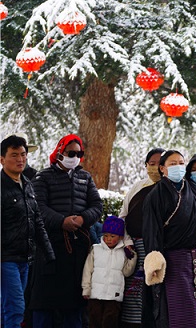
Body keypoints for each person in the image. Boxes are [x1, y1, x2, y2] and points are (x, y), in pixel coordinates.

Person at [29, 134, 103, 328]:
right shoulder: (43, 177)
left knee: (74, 307)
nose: (75, 157)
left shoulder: (85, 177)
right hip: (49, 247)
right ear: (60, 152)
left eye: (79, 154)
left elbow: (97, 206)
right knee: (44, 305)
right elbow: (37, 207)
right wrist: (61, 221)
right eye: (71, 153)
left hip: (77, 249)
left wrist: (82, 219)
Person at [142, 150, 196, 328]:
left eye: (181, 163)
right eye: (173, 164)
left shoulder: (193, 189)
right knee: (177, 311)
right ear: (162, 168)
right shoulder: (155, 195)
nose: (178, 167)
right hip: (174, 262)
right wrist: (154, 260)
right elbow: (151, 230)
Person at [1, 135, 54, 328]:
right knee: (16, 308)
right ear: (2, 159)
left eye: (23, 154)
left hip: (25, 258)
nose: (20, 159)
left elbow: (37, 220)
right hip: (5, 259)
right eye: (14, 155)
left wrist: (49, 254)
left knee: (7, 308)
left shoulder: (28, 184)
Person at [119, 147, 164, 328]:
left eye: (159, 163)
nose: (155, 167)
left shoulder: (171, 188)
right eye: (151, 164)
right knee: (134, 292)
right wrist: (128, 242)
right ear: (146, 165)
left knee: (155, 293)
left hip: (160, 250)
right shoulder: (138, 187)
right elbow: (123, 216)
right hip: (136, 249)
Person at [81, 216, 137, 328]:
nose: (108, 239)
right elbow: (87, 270)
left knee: (110, 322)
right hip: (95, 295)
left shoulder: (123, 252)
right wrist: (86, 288)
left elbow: (127, 272)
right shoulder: (96, 249)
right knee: (94, 321)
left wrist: (132, 257)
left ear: (120, 237)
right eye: (105, 235)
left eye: (112, 236)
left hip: (114, 296)